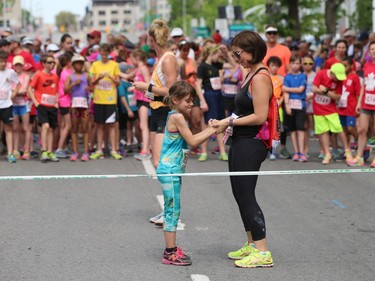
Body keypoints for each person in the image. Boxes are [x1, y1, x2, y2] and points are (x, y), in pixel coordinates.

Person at [212, 31, 274, 268]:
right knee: (239, 194)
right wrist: (223, 122)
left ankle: (263, 251)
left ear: (252, 50)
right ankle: (251, 244)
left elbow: (259, 116)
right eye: (234, 53)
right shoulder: (249, 73)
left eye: (239, 53)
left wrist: (228, 123)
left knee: (247, 195)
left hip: (253, 142)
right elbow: (244, 111)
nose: (236, 57)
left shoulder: (260, 77)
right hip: (241, 139)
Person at [156, 81, 216, 266]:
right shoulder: (177, 117)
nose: (191, 104)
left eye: (192, 100)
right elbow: (193, 140)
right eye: (188, 100)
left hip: (173, 169)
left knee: (172, 210)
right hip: (170, 170)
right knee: (172, 212)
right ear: (175, 99)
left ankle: (171, 248)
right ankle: (170, 252)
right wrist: (212, 129)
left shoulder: (175, 115)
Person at [312, 63, 353, 165]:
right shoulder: (321, 74)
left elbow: (337, 97)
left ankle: (347, 151)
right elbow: (314, 89)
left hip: (330, 109)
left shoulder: (339, 81)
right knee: (323, 131)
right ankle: (327, 153)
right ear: (332, 72)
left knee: (338, 128)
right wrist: (330, 93)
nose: (338, 79)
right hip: (318, 109)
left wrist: (325, 91)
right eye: (336, 76)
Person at [89, 43, 122, 160]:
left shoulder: (114, 65)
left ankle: (113, 149)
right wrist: (99, 77)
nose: (103, 56)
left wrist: (111, 77)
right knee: (99, 125)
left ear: (108, 54)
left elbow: (118, 83)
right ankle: (99, 149)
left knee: (111, 125)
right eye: (101, 54)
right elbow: (91, 82)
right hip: (98, 99)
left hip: (110, 100)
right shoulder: (95, 65)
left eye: (105, 54)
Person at [195, 44, 227, 161]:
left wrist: (226, 52)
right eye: (218, 54)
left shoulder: (217, 65)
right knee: (206, 124)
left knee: (220, 123)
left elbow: (234, 65)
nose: (220, 56)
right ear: (211, 54)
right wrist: (203, 102)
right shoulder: (202, 67)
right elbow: (197, 85)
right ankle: (203, 152)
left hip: (218, 95)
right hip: (208, 96)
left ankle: (223, 152)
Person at [28, 54, 60, 163]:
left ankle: (50, 151)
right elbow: (30, 88)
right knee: (45, 126)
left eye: (53, 63)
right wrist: (36, 102)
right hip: (41, 105)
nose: (51, 64)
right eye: (49, 62)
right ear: (43, 64)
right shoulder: (38, 75)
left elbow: (56, 90)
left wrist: (56, 102)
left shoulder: (55, 77)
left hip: (52, 106)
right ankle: (44, 150)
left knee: (51, 128)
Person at [348, 41, 375, 167]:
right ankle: (359, 156)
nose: (374, 51)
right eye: (372, 49)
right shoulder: (367, 65)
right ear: (369, 51)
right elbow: (364, 85)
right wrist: (359, 102)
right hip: (366, 102)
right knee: (361, 129)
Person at [64, 55, 91, 161]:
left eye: (80, 63)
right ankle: (75, 152)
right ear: (73, 65)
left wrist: (90, 88)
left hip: (84, 104)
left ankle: (85, 152)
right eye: (77, 63)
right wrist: (74, 83)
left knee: (85, 128)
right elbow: (65, 90)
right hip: (75, 104)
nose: (79, 65)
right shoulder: (70, 77)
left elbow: (92, 87)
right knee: (74, 128)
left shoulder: (87, 75)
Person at [127, 49, 151, 160]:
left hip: (145, 100)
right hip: (140, 100)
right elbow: (126, 76)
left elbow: (148, 84)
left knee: (143, 125)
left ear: (137, 58)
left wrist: (135, 87)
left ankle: (146, 150)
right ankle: (145, 148)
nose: (131, 61)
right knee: (143, 125)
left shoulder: (143, 68)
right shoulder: (139, 69)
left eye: (132, 59)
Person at [283, 55, 308, 162]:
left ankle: (302, 152)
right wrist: (287, 105)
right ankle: (296, 152)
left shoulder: (303, 76)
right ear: (290, 64)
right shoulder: (287, 77)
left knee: (300, 129)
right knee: (292, 130)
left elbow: (301, 89)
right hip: (290, 105)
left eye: (297, 63)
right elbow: (284, 90)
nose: (295, 66)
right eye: (293, 63)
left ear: (300, 65)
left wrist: (290, 89)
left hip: (300, 105)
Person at [0, 51, 20, 163]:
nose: (3, 64)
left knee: (8, 129)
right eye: (1, 61)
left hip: (7, 105)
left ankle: (10, 153)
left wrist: (14, 94)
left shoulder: (10, 72)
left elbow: (18, 83)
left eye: (4, 61)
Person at [11, 55, 31, 160]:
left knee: (25, 128)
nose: (18, 67)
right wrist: (16, 92)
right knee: (15, 128)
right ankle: (15, 150)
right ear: (14, 66)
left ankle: (26, 150)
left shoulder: (26, 76)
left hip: (23, 104)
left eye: (20, 65)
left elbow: (24, 90)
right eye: (16, 65)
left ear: (23, 65)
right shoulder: (11, 76)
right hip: (14, 105)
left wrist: (14, 92)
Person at [266, 56, 285, 160]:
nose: (274, 68)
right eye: (272, 65)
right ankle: (265, 150)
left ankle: (273, 151)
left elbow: (283, 93)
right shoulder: (266, 77)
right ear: (268, 66)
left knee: (275, 129)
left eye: (276, 66)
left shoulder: (281, 78)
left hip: (278, 107)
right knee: (266, 128)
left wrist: (279, 103)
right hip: (267, 106)